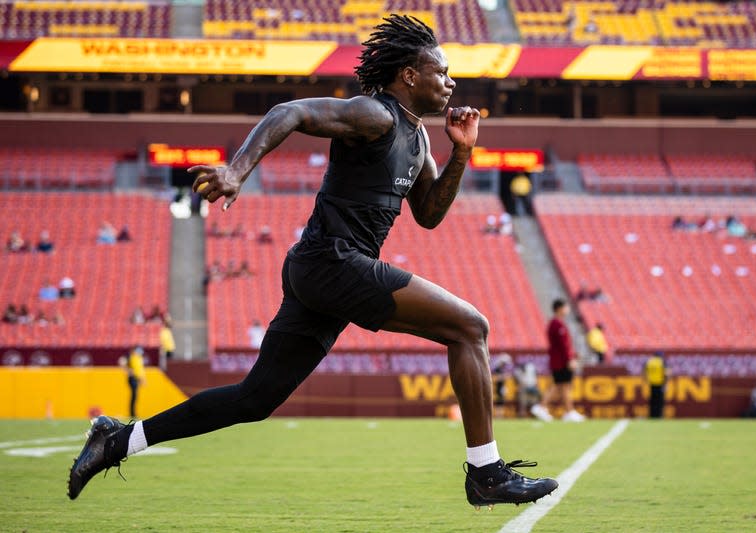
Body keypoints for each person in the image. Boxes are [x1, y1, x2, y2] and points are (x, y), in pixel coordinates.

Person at [68, 15, 558, 507]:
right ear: (410, 75)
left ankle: (118, 440)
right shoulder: (376, 114)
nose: (451, 82)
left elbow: (429, 215)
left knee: (255, 399)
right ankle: (486, 473)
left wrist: (462, 154)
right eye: (442, 71)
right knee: (470, 327)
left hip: (324, 270)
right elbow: (291, 111)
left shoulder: (420, 140)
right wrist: (237, 171)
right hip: (332, 261)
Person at [538, 300, 584, 422]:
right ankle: (543, 406)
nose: (567, 309)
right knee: (562, 385)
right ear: (559, 308)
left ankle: (568, 411)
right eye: (566, 307)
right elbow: (563, 346)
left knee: (562, 386)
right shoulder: (557, 324)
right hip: (561, 362)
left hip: (559, 360)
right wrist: (570, 359)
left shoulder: (556, 323)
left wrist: (572, 355)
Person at [643, 351, 670, 418]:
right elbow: (666, 374)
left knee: (652, 401)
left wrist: (647, 380)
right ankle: (659, 415)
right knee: (660, 401)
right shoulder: (662, 362)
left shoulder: (649, 362)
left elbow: (644, 372)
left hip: (652, 383)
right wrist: (666, 383)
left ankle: (652, 415)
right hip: (660, 383)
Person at [124, 347, 146, 419]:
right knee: (134, 396)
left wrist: (141, 378)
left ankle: (133, 413)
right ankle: (132, 413)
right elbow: (136, 370)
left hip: (135, 378)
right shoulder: (133, 357)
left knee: (135, 396)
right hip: (133, 378)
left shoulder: (137, 358)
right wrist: (141, 379)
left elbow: (139, 370)